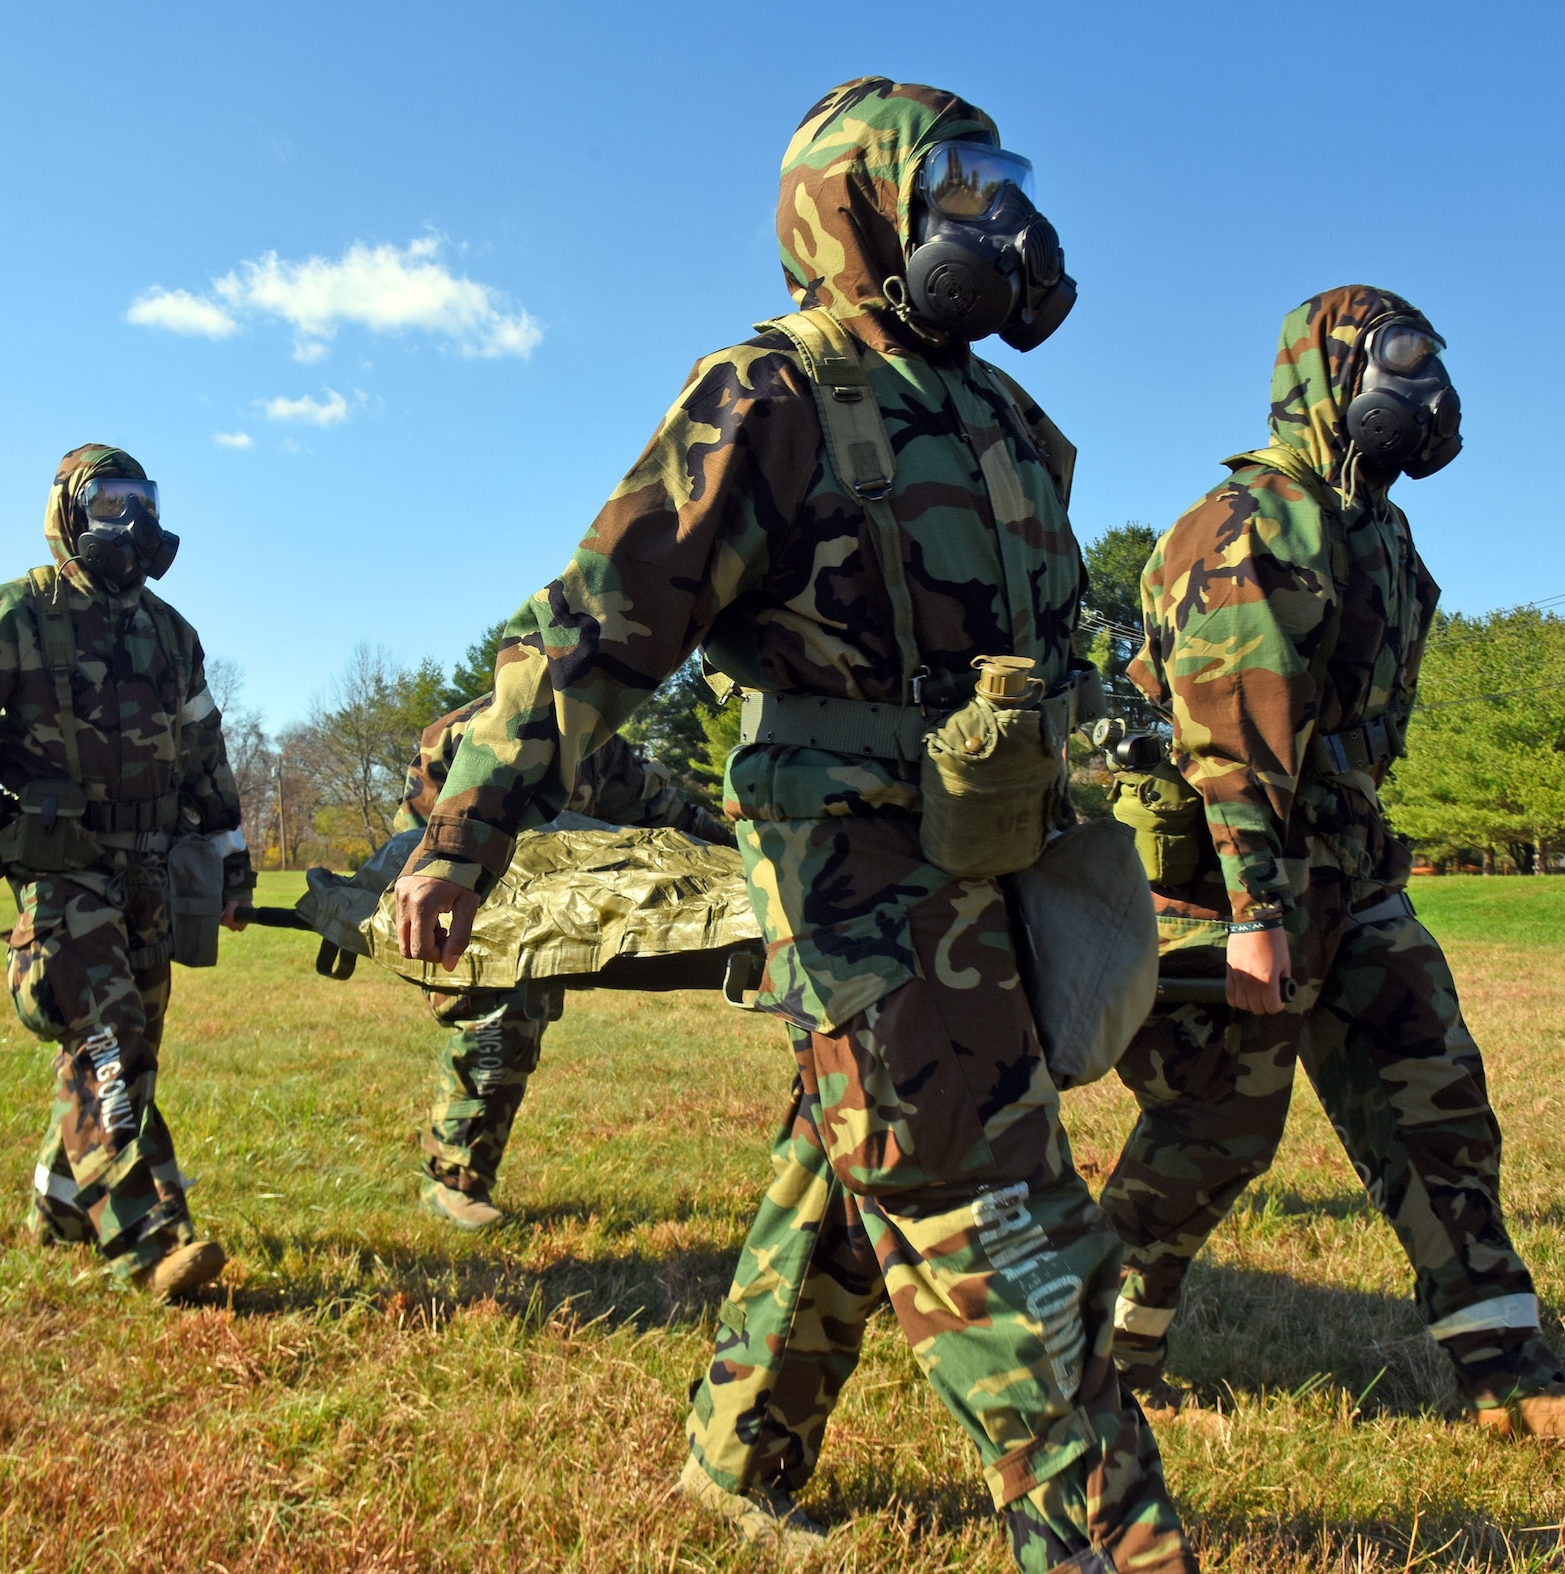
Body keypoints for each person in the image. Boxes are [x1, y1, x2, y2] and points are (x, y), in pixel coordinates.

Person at [392, 76, 1194, 1574]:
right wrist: (462, 831)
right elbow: (598, 628)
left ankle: (736, 1449)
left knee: (851, 1155)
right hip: (852, 862)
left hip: (993, 854)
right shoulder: (767, 395)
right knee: (997, 1217)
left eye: (1001, 180)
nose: (999, 215)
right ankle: (1114, 1543)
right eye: (959, 182)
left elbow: (1059, 650)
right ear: (859, 202)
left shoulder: (1013, 422)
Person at [1101, 287, 1565, 1445]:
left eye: (1427, 369)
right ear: (1327, 375)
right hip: (1222, 885)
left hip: (1349, 880)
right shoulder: (1242, 522)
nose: (1421, 396)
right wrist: (1256, 911)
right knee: (1211, 1135)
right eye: (1395, 365)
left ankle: (1512, 1378)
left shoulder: (1380, 533)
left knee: (1436, 1102)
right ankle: (1100, 1351)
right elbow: (1228, 735)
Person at [0, 444, 254, 1302]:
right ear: (69, 510)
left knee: (128, 1054)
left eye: (141, 498)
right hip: (58, 873)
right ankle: (149, 1239)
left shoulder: (174, 634)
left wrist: (228, 863)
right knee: (102, 1032)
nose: (130, 518)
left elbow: (205, 755)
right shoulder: (11, 615)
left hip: (148, 874)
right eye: (108, 500)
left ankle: (61, 1207)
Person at [395, 693, 730, 1228]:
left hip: (541, 915)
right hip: (466, 910)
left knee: (519, 1036)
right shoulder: (468, 732)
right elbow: (414, 837)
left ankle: (462, 1175)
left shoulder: (599, 746)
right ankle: (452, 1182)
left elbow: (669, 812)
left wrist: (743, 855)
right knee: (492, 1032)